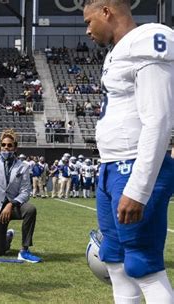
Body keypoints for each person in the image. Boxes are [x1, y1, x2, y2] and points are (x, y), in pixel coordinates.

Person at [83, 1, 174, 303]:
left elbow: (159, 119)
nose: (87, 30)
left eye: (89, 20)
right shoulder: (117, 52)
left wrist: (138, 188)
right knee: (116, 262)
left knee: (143, 265)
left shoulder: (147, 40)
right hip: (111, 165)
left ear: (107, 11)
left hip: (134, 165)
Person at [0, 129, 41, 263]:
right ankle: (7, 237)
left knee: (30, 209)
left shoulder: (23, 166)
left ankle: (24, 250)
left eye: (9, 145)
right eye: (3, 145)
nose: (6, 148)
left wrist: (11, 204)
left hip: (13, 206)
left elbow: (26, 191)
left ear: (15, 147)